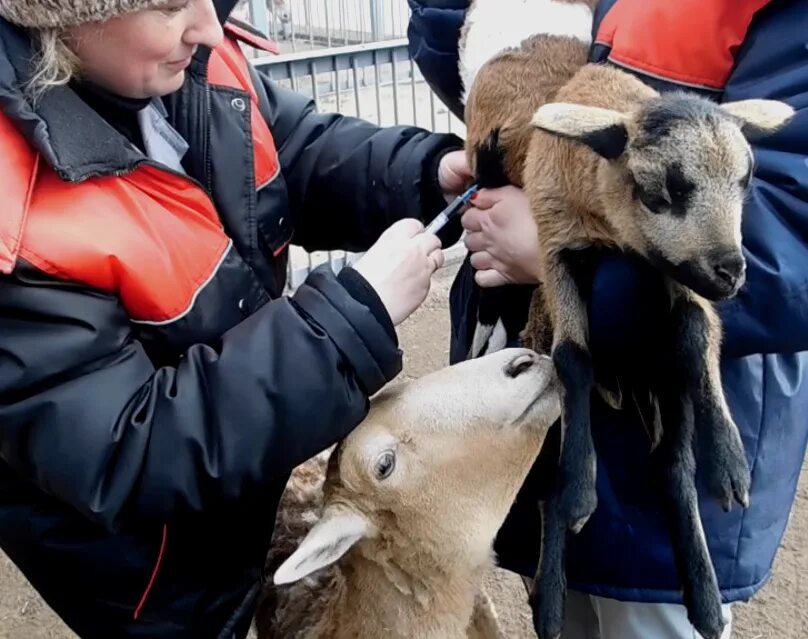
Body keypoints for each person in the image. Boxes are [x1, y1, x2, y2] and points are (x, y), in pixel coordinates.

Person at [0, 1, 476, 637]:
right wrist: (346, 324)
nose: (207, 29)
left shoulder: (184, 59)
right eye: (169, 7)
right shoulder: (14, 214)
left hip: (246, 488)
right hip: (150, 574)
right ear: (59, 17)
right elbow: (127, 447)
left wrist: (423, 174)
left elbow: (288, 153)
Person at [408, 0, 808, 637]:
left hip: (668, 455)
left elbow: (787, 252)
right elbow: (494, 83)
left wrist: (553, 253)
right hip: (555, 418)